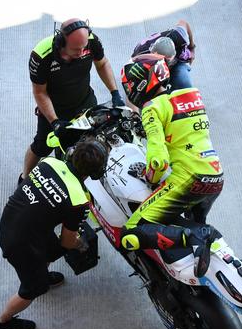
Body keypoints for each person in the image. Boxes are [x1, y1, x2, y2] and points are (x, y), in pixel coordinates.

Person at [0, 139, 109, 329]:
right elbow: (67, 241)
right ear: (95, 173)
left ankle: (42, 271)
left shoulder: (49, 163)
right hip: (20, 245)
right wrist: (80, 244)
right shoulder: (78, 201)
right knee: (34, 288)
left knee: (51, 247)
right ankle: (4, 322)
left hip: (11, 221)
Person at [118, 54, 224, 252]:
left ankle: (194, 238)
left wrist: (149, 176)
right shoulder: (192, 96)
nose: (129, 90)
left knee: (130, 233)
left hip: (189, 180)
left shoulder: (152, 108)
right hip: (215, 177)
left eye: (130, 85)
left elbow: (158, 162)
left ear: (141, 84)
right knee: (194, 222)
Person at [22, 18, 124, 181]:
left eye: (84, 48)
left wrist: (115, 93)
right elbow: (39, 92)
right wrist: (54, 122)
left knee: (89, 145)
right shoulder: (42, 54)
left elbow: (102, 63)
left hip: (85, 102)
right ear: (62, 41)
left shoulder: (91, 42)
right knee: (41, 146)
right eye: (76, 49)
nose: (81, 52)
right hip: (54, 109)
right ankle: (25, 178)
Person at [131, 20, 196, 89]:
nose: (164, 64)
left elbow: (183, 23)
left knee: (184, 84)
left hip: (175, 58)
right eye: (162, 60)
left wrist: (192, 47)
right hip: (148, 63)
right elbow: (130, 84)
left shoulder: (178, 37)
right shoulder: (141, 60)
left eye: (167, 61)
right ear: (152, 54)